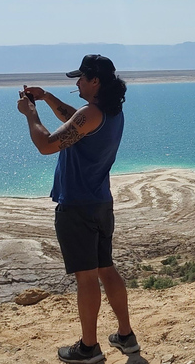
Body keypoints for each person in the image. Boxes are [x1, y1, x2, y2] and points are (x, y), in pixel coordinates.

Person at [17, 54, 140, 364]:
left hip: (77, 206)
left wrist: (30, 113)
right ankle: (126, 336)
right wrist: (45, 97)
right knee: (106, 270)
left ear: (95, 81)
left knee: (86, 279)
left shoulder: (92, 114)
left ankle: (88, 348)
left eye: (81, 78)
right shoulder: (109, 112)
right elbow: (75, 119)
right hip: (100, 203)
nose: (77, 83)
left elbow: (46, 145)